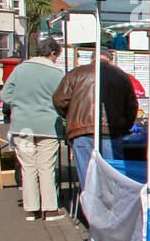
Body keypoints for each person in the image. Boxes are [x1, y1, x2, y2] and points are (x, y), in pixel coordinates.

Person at [1, 36, 67, 221]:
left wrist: (21, 103)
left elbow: (6, 95)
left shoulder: (20, 69)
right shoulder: (57, 73)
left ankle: (31, 209)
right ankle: (50, 209)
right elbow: (63, 100)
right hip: (48, 125)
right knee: (46, 167)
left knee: (28, 167)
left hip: (23, 126)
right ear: (52, 53)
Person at [53, 48, 139, 180]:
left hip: (81, 131)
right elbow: (131, 106)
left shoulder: (76, 73)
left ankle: (91, 201)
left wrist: (71, 116)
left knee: (88, 178)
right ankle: (109, 201)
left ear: (92, 58)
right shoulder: (121, 75)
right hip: (111, 132)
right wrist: (124, 127)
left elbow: (60, 100)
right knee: (112, 177)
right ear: (110, 60)